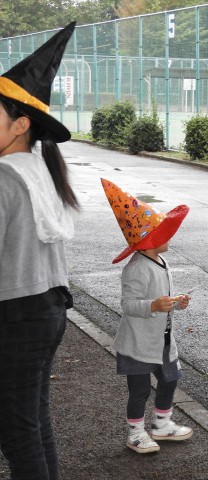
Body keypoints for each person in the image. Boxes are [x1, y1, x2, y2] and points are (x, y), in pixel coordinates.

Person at [0, 22, 79, 480]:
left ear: (21, 124)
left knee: (16, 431)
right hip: (50, 311)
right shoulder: (39, 169)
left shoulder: (6, 176)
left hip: (16, 316)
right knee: (33, 421)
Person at [102, 178, 193, 453]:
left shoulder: (161, 261)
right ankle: (135, 433)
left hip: (162, 342)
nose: (170, 236)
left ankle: (162, 425)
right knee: (139, 390)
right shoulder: (137, 268)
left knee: (170, 379)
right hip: (138, 345)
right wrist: (153, 306)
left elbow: (160, 297)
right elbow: (129, 304)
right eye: (164, 232)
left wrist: (176, 303)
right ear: (150, 239)